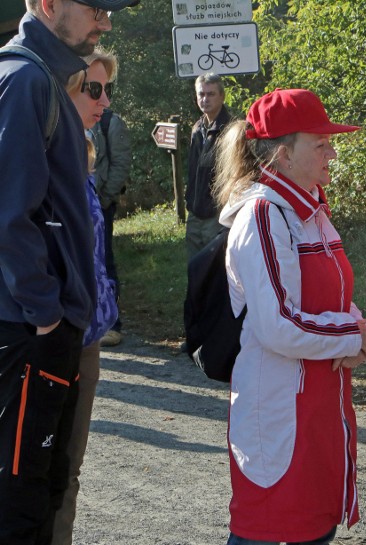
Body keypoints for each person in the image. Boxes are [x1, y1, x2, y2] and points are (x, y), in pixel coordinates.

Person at [212, 88, 366, 545]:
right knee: (267, 531)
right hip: (281, 410)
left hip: (320, 402)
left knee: (314, 529)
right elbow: (277, 325)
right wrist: (353, 337)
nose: (333, 151)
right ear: (283, 155)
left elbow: (337, 298)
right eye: (320, 143)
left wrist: (357, 330)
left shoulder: (311, 210)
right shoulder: (263, 215)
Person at [0, 0, 135, 543]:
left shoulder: (45, 78)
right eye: (97, 8)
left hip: (47, 331)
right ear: (48, 4)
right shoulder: (25, 79)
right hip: (31, 333)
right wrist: (48, 318)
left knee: (45, 491)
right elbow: (10, 218)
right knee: (21, 505)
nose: (105, 21)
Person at [51, 48, 120, 545]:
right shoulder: (43, 149)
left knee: (69, 469)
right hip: (52, 333)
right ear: (66, 89)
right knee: (37, 468)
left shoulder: (86, 151)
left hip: (87, 336)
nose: (103, 99)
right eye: (92, 89)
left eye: (106, 90)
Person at [90, 106, 131, 347]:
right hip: (74, 205)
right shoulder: (66, 116)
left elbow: (120, 164)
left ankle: (112, 324)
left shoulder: (111, 123)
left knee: (104, 262)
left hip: (100, 206)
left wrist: (103, 200)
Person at [186, 71, 231, 258]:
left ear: (221, 96)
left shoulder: (231, 129)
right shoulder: (197, 129)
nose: (205, 99)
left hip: (217, 214)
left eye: (211, 94)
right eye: (201, 94)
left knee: (215, 272)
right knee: (194, 269)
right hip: (195, 214)